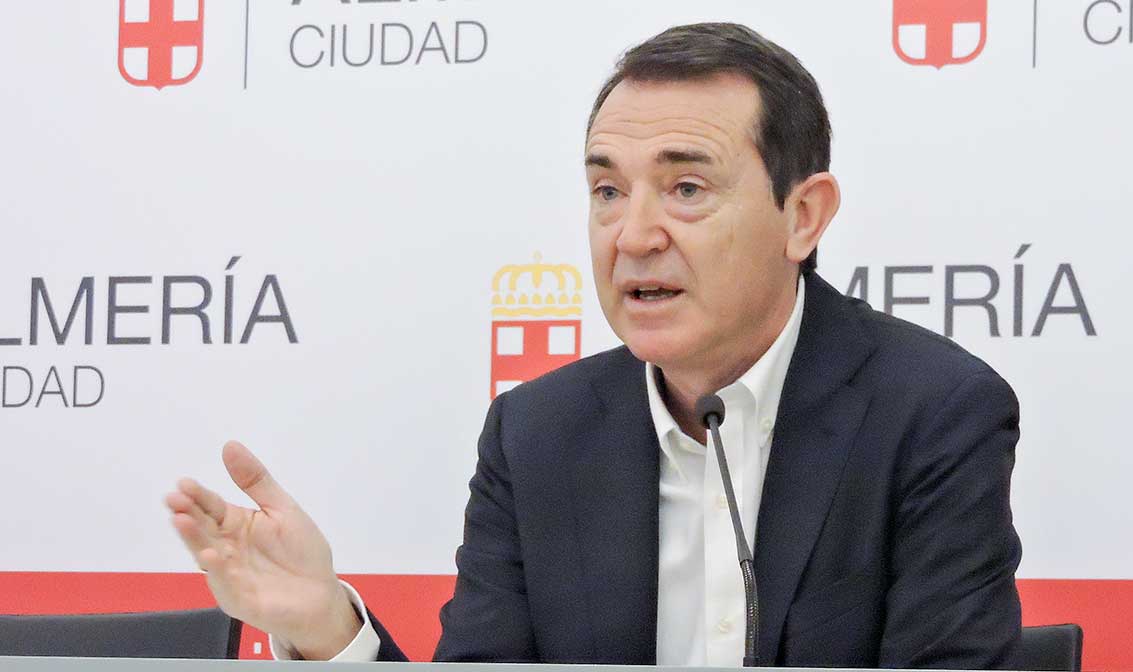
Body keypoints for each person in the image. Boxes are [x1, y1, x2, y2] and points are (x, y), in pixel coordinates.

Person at [165, 23, 1023, 669]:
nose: (633, 235)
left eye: (686, 188)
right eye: (607, 190)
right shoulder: (536, 433)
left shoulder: (932, 413)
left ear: (802, 216)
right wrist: (326, 629)